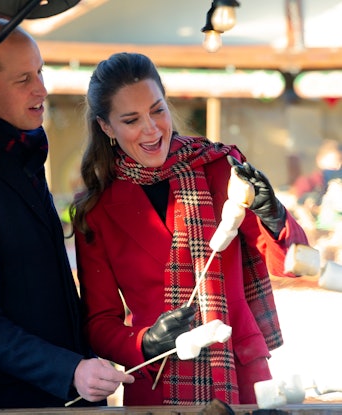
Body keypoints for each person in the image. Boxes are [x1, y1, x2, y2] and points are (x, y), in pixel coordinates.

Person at [71, 52, 309, 406]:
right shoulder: (97, 209)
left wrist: (272, 212)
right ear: (107, 127)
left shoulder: (220, 167)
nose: (152, 129)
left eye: (157, 110)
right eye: (132, 119)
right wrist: (145, 342)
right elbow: (100, 322)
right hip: (159, 381)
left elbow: (293, 263)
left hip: (242, 376)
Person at [0, 19, 133, 412]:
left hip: (67, 394)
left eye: (40, 72)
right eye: (24, 78)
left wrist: (122, 341)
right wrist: (69, 370)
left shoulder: (19, 148)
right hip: (15, 402)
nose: (41, 89)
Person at [291, 139, 342, 205]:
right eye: (334, 161)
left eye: (340, 162)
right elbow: (299, 203)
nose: (337, 166)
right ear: (319, 160)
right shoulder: (307, 181)